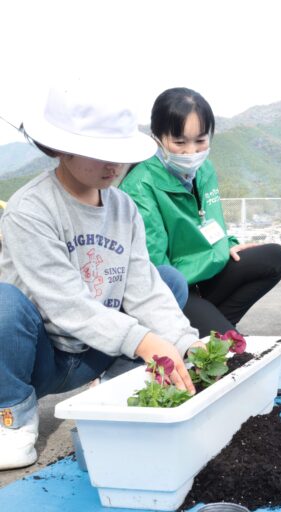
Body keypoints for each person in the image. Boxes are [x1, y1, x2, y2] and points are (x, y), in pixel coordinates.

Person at [0, 86, 201, 470]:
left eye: (121, 158)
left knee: (168, 281)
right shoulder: (31, 210)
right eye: (102, 156)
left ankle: (114, 389)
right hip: (43, 356)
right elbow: (65, 303)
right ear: (61, 148)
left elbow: (143, 288)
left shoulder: (122, 207)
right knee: (3, 303)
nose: (114, 168)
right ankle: (11, 417)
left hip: (96, 352)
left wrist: (185, 345)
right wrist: (142, 340)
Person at [119, 88, 281, 336]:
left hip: (205, 271)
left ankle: (215, 327)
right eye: (179, 142)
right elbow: (157, 269)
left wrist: (227, 243)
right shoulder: (140, 185)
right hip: (173, 289)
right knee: (231, 352)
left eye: (200, 140)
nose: (192, 152)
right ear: (157, 138)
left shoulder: (204, 169)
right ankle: (210, 330)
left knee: (275, 257)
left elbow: (211, 220)